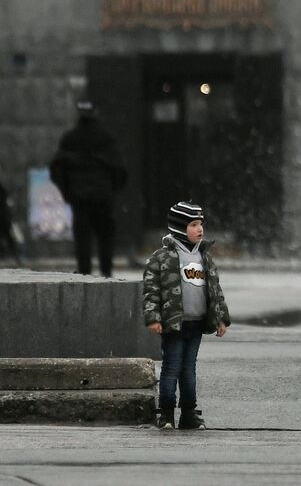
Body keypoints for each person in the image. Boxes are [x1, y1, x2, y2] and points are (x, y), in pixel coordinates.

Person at [142, 200, 232, 431]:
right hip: (173, 324)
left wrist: (221, 317)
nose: (200, 229)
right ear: (180, 228)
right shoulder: (162, 258)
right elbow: (151, 291)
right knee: (172, 367)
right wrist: (153, 317)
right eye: (193, 224)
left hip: (196, 324)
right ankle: (167, 412)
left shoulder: (204, 257)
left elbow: (215, 290)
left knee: (189, 368)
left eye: (201, 224)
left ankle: (189, 412)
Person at [50, 101, 127, 276]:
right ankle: (106, 275)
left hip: (79, 199)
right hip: (102, 198)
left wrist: (67, 191)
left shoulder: (69, 139)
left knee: (82, 241)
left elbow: (57, 169)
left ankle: (85, 276)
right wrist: (111, 191)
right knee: (105, 238)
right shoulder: (106, 138)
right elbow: (120, 170)